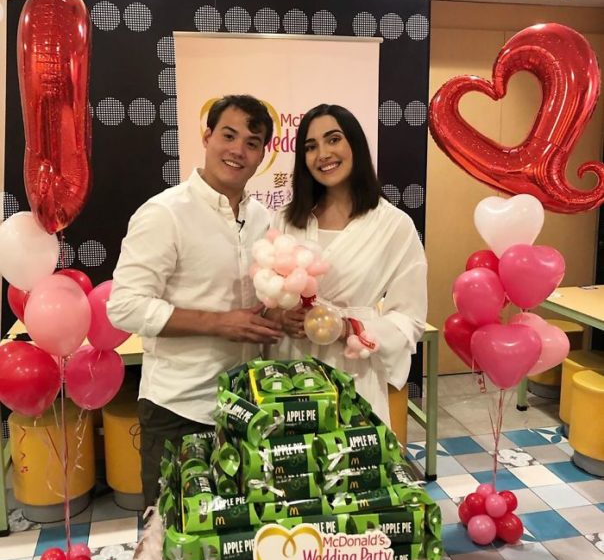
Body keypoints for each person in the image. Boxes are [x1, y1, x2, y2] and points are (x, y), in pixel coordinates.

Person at [108, 94, 282, 507]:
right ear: (206, 137)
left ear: (262, 156)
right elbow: (125, 305)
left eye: (252, 142)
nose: (238, 150)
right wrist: (220, 323)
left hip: (246, 407)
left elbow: (260, 298)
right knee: (168, 541)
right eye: (228, 135)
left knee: (234, 541)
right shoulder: (165, 213)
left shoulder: (263, 219)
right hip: (179, 408)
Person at [271, 104, 427, 424]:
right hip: (291, 371)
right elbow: (263, 298)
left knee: (354, 467)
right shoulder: (287, 220)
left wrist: (348, 328)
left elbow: (409, 319)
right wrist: (281, 316)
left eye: (333, 140)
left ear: (354, 144)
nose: (323, 154)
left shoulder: (393, 225)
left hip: (354, 373)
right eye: (310, 147)